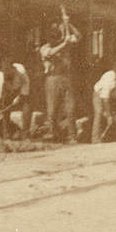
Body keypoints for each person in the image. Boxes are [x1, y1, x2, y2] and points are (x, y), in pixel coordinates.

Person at [39, 9, 80, 143]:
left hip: (66, 77)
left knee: (71, 108)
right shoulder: (44, 48)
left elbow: (79, 36)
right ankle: (53, 134)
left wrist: (68, 24)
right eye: (52, 36)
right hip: (53, 78)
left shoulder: (65, 43)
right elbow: (50, 53)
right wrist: (64, 43)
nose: (54, 38)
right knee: (52, 110)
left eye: (55, 36)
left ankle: (71, 136)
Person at [92, 61, 116, 143]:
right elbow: (105, 98)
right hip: (99, 95)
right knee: (99, 113)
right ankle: (95, 138)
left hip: (110, 96)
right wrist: (108, 115)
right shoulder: (110, 77)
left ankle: (112, 135)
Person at [0, 58, 31, 139]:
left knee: (26, 107)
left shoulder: (21, 71)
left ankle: (25, 135)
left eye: (10, 71)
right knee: (5, 108)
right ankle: (6, 134)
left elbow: (26, 84)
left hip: (20, 90)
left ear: (13, 69)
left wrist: (19, 96)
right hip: (7, 92)